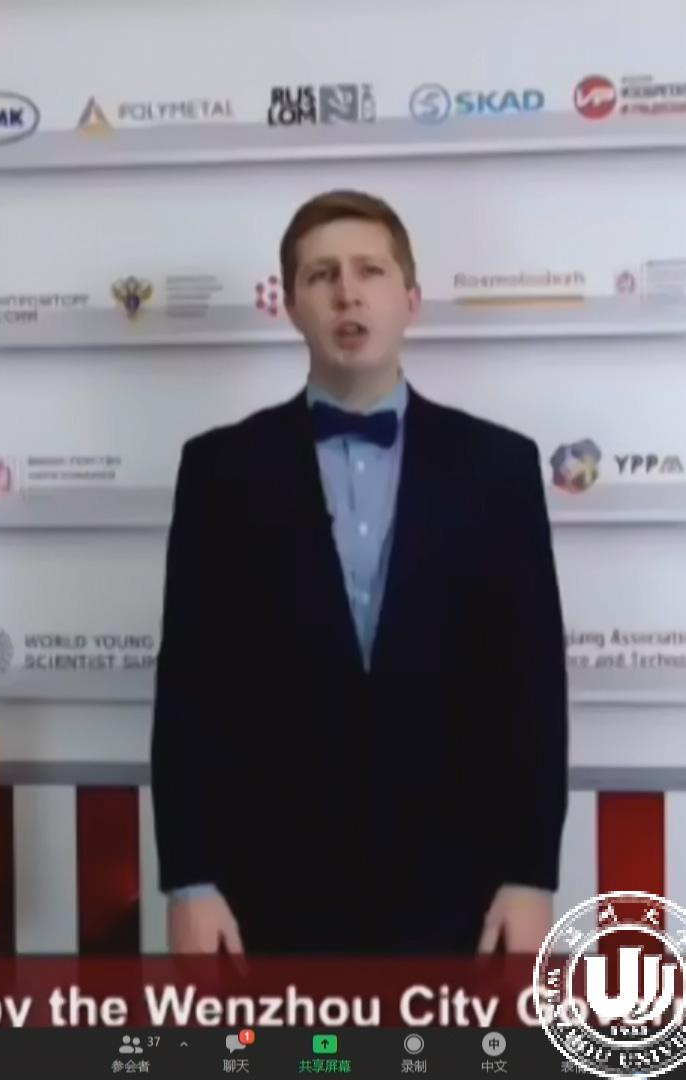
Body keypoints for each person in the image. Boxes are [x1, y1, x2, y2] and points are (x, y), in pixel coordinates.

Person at [150, 189, 568, 956]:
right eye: (321, 275)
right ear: (289, 306)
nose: (347, 292)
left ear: (411, 299)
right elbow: (190, 690)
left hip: (463, 890)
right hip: (266, 889)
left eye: (370, 270)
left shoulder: (500, 467)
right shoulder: (219, 470)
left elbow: (532, 687)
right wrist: (190, 883)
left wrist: (530, 875)